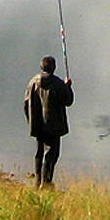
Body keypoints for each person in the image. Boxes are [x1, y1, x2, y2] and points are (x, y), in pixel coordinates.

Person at [23, 55, 74, 186]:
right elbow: (68, 101)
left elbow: (25, 104)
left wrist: (31, 121)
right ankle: (46, 183)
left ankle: (38, 181)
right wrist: (68, 86)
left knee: (39, 153)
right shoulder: (58, 84)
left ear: (42, 67)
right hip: (53, 126)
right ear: (54, 68)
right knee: (51, 154)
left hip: (38, 125)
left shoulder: (33, 82)